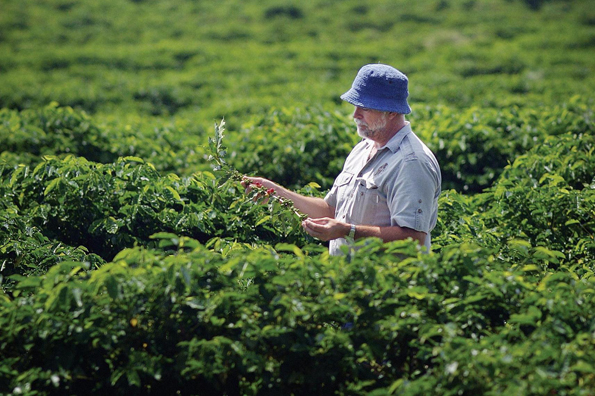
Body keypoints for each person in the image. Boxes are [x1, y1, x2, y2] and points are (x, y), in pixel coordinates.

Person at [243, 63, 441, 255]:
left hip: (388, 285)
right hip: (347, 281)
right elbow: (331, 210)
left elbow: (413, 238)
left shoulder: (412, 163)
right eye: (356, 106)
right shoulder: (362, 149)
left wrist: (348, 231)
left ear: (390, 112)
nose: (356, 114)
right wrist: (275, 192)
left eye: (365, 108)